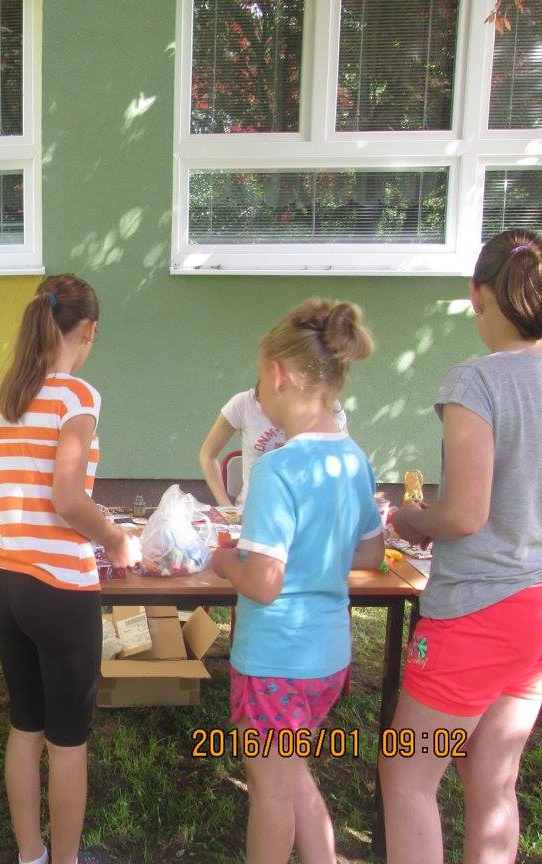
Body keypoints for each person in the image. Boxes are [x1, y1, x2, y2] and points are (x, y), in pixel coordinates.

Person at [382, 230, 542, 864]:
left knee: (407, 776)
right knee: (494, 781)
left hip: (478, 610)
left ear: (477, 296)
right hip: (535, 613)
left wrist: (411, 518)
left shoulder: (475, 381)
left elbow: (466, 514)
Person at [210, 299, 383, 864]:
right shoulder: (353, 459)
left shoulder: (277, 468)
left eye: (260, 380)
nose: (259, 393)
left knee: (271, 794)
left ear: (279, 374)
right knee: (293, 775)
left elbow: (263, 583)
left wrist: (224, 560)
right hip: (327, 658)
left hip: (276, 660)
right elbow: (371, 551)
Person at [0, 275, 141, 864]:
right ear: (89, 330)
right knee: (68, 739)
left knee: (25, 725)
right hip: (58, 588)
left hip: (5, 579)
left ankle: (32, 856)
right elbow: (68, 499)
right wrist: (117, 539)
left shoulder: (11, 395)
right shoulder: (77, 396)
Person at [199, 385, 347, 506]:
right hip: (254, 513)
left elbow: (344, 460)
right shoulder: (243, 404)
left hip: (306, 514)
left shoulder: (327, 405)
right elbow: (207, 455)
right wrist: (226, 508)